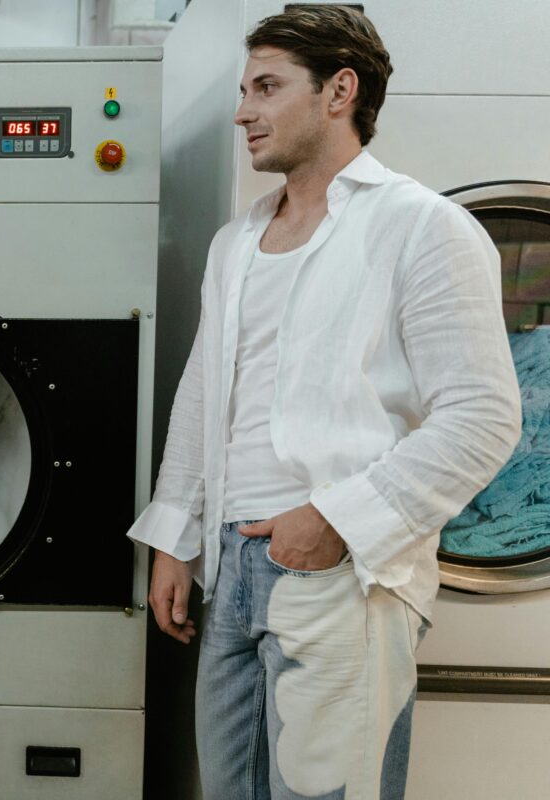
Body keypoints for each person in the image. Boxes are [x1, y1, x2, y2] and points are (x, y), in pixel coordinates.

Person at [128, 6, 522, 799]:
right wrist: (175, 535)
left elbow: (481, 418)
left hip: (342, 573)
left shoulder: (422, 227)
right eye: (244, 90)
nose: (243, 111)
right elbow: (205, 393)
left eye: (267, 88)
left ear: (340, 91)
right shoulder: (236, 241)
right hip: (230, 566)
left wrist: (332, 521)